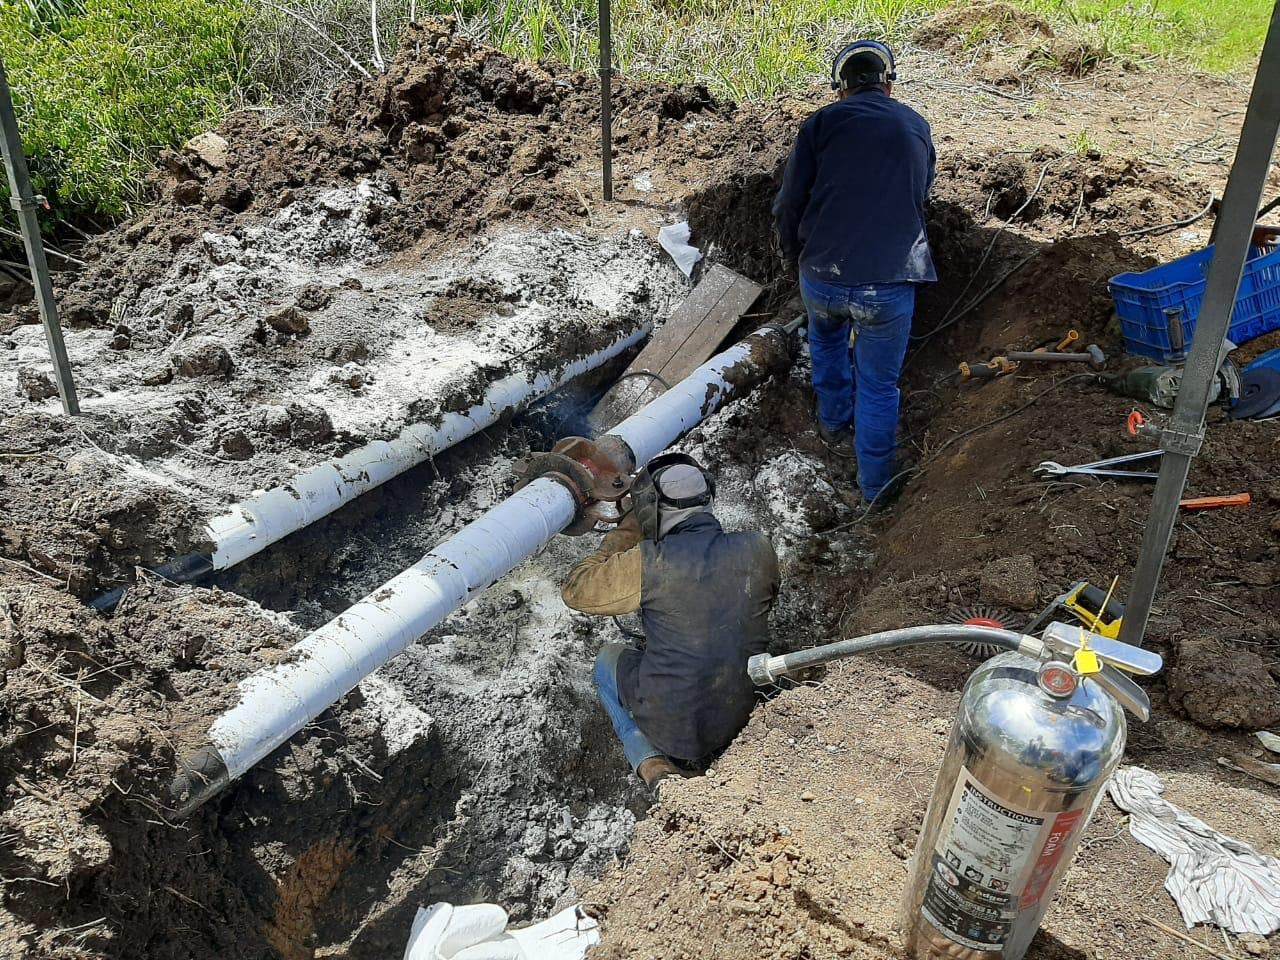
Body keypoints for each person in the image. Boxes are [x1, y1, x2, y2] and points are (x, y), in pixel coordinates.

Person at [772, 39, 936, 508]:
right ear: (888, 84)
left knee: (824, 343)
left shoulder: (820, 123)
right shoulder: (915, 123)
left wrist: (792, 252)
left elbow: (788, 203)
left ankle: (832, 422)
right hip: (887, 284)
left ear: (840, 89)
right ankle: (876, 487)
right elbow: (921, 193)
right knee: (880, 385)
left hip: (822, 276)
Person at [560, 454, 780, 789]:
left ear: (651, 509)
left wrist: (629, 529)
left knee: (607, 661)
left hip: (674, 730)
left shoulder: (650, 563)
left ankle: (650, 761)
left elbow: (575, 589)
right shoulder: (759, 549)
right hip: (740, 716)